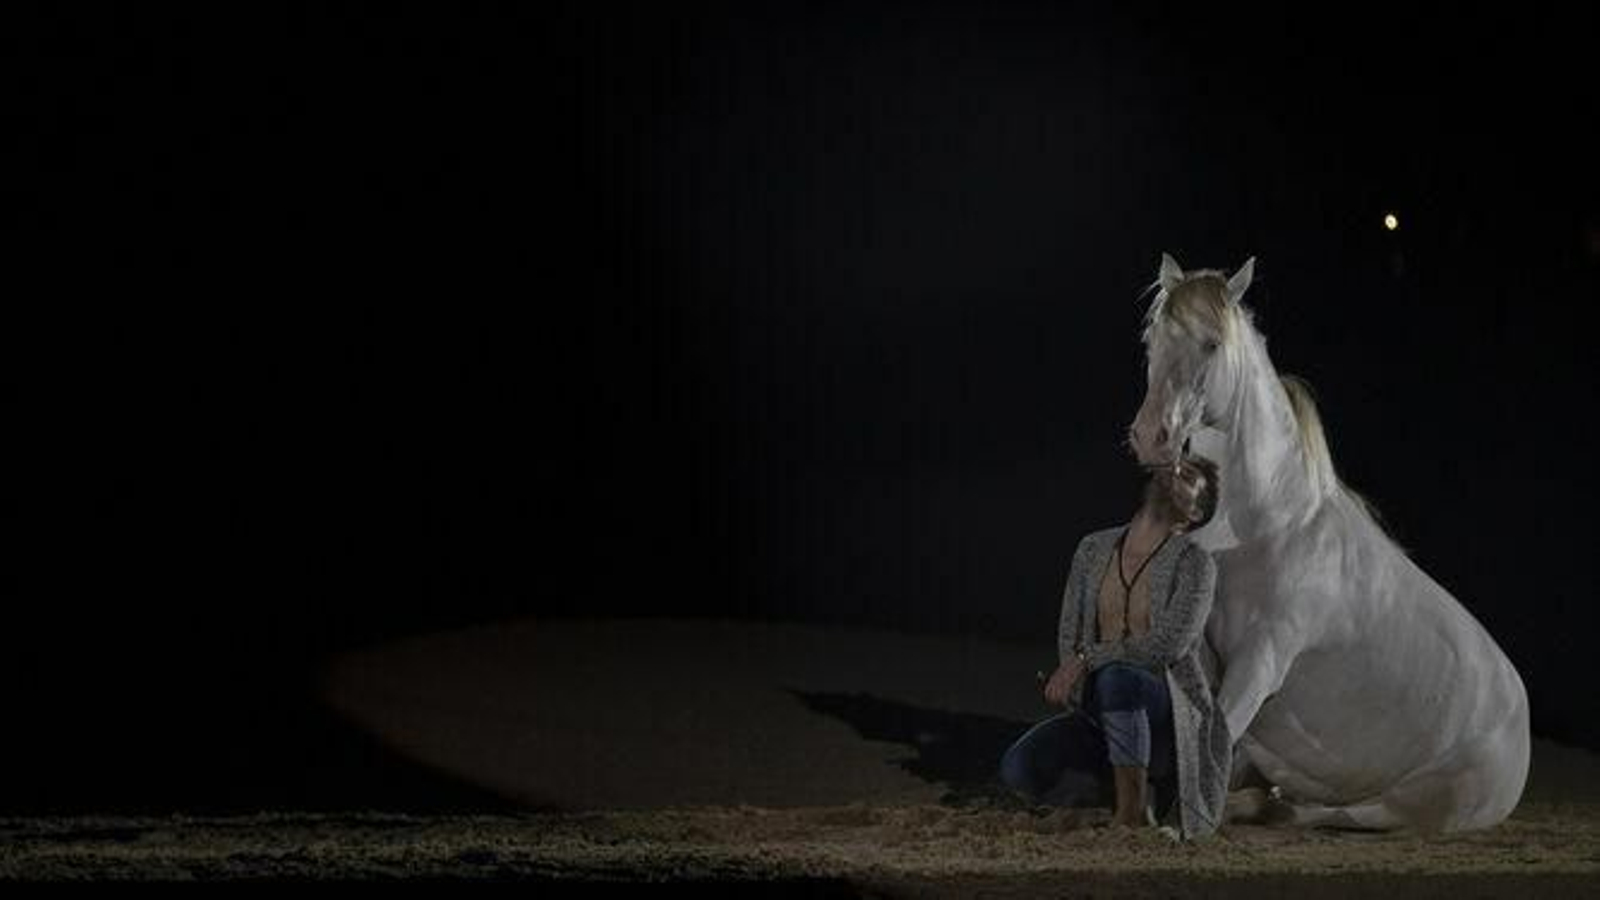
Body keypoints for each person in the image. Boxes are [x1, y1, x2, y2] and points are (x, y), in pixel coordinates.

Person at [999, 456, 1232, 839]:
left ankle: (1133, 812)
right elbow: (1069, 636)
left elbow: (1167, 646)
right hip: (1103, 712)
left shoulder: (1195, 563)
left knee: (1119, 676)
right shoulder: (1093, 547)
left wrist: (1089, 658)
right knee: (1019, 769)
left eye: (1188, 476)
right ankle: (1117, 791)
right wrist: (1075, 684)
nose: (1175, 469)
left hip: (1166, 723)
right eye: (1176, 465)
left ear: (1192, 514)